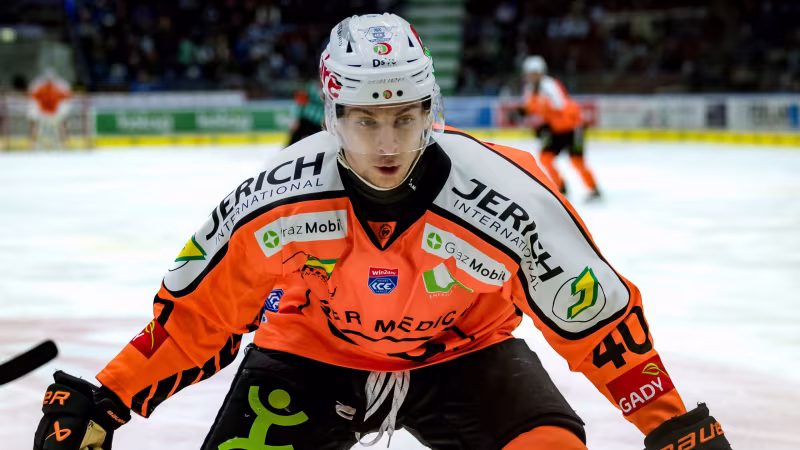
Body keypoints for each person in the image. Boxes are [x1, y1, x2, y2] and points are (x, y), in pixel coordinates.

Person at [33, 13, 731, 450]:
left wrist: (671, 424)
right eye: (366, 120)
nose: (388, 143)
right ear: (333, 116)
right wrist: (106, 400)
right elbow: (196, 319)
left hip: (465, 357)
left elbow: (598, 320)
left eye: (404, 116)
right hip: (308, 357)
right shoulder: (276, 199)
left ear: (432, 110)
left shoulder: (511, 195)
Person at [522, 55, 601, 201]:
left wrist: (542, 120)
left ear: (541, 72)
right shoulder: (529, 89)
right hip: (555, 129)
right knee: (545, 158)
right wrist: (526, 114)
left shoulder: (549, 85)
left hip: (572, 127)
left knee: (577, 160)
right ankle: (560, 187)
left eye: (535, 73)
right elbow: (531, 109)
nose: (532, 76)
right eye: (530, 73)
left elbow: (560, 106)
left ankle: (594, 189)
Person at [27, 68, 73, 150]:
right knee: (34, 123)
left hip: (56, 113)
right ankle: (33, 143)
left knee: (63, 123)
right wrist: (34, 114)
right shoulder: (38, 86)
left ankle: (64, 143)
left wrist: (62, 114)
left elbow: (66, 100)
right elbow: (32, 101)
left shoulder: (61, 86)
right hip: (42, 113)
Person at [286, 79, 325, 147]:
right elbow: (300, 102)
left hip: (320, 123)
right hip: (306, 119)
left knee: (319, 145)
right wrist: (295, 117)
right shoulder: (310, 88)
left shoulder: (330, 91)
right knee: (293, 142)